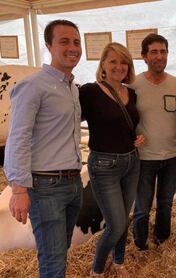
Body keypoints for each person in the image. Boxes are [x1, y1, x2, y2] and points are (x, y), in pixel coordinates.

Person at [4, 19, 83, 278]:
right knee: (53, 261)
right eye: (64, 41)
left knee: (59, 253)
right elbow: (18, 138)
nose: (72, 47)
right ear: (48, 45)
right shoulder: (32, 85)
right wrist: (18, 189)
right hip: (47, 186)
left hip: (72, 183)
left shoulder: (71, 87)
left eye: (76, 42)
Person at [79, 42, 144, 278]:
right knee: (116, 224)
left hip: (132, 162)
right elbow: (69, 119)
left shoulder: (132, 92)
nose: (119, 66)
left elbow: (127, 126)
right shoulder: (89, 91)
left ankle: (118, 263)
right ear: (103, 65)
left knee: (123, 219)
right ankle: (96, 270)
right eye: (113, 61)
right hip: (104, 166)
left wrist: (138, 138)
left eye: (123, 62)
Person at [131, 33, 176, 251]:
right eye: (154, 52)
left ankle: (162, 239)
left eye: (163, 51)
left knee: (166, 203)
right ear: (144, 56)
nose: (159, 56)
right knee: (142, 206)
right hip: (144, 158)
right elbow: (124, 120)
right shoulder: (132, 85)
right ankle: (140, 243)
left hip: (173, 157)